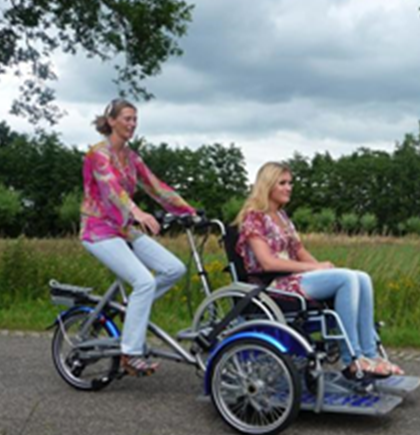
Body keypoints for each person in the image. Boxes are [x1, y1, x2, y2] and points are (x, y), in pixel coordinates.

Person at [235, 162, 403, 379]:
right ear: (268, 185)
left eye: (290, 183)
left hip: (293, 279)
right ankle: (352, 360)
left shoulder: (283, 217)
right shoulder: (254, 217)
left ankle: (370, 355)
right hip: (272, 285)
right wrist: (314, 268)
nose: (289, 188)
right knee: (346, 279)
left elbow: (300, 250)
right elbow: (268, 263)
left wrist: (323, 269)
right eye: (283, 183)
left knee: (360, 277)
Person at [80, 98, 196, 376]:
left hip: (124, 229)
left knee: (174, 269)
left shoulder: (132, 158)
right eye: (127, 118)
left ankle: (133, 308)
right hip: (98, 229)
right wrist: (138, 212)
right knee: (143, 281)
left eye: (135, 119)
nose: (132, 124)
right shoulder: (98, 154)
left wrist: (189, 211)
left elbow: (157, 187)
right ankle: (130, 353)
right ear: (111, 121)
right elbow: (111, 191)